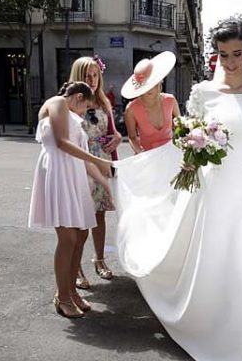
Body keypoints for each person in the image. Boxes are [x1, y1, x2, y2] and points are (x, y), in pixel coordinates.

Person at [112, 18, 242, 360]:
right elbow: (186, 142)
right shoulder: (203, 92)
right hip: (212, 186)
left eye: (237, 54)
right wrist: (186, 158)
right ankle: (208, 329)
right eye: (223, 55)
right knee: (214, 256)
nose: (231, 62)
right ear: (215, 55)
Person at [28, 81, 113, 318]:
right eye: (86, 106)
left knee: (81, 234)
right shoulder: (57, 102)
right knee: (67, 237)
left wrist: (107, 184)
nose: (86, 112)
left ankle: (70, 292)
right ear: (77, 97)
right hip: (58, 172)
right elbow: (61, 142)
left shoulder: (72, 115)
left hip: (73, 174)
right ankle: (62, 296)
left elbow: (84, 160)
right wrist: (98, 160)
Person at [68, 56, 122, 290]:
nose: (91, 80)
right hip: (80, 162)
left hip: (102, 161)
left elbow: (112, 131)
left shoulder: (104, 102)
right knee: (80, 221)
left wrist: (118, 137)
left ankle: (99, 260)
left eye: (95, 75)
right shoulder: (70, 103)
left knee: (99, 216)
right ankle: (75, 268)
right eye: (86, 76)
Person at [121, 51, 181, 154]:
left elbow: (181, 126)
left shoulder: (170, 100)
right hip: (147, 157)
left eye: (151, 83)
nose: (148, 88)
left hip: (172, 154)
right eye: (144, 85)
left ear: (158, 82)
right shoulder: (131, 109)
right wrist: (140, 152)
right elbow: (132, 137)